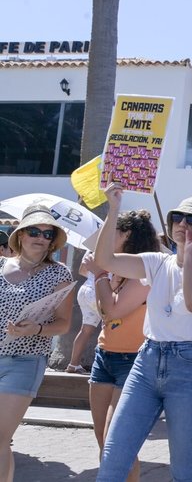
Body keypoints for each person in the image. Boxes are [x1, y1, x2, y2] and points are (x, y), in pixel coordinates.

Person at [94, 184, 192, 482]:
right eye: (178, 217)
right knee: (114, 455)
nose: (183, 224)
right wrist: (114, 209)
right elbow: (105, 261)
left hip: (191, 365)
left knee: (182, 467)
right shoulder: (157, 262)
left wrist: (191, 255)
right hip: (147, 360)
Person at [83, 209, 160, 482]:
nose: (103, 238)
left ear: (126, 235)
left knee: (116, 443)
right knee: (104, 443)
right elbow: (103, 309)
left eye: (111, 231)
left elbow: (113, 311)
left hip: (133, 361)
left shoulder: (143, 272)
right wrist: (100, 272)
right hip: (104, 357)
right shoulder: (115, 270)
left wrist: (100, 272)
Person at [0, 204, 74, 482]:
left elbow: (64, 324)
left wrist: (37, 328)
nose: (40, 237)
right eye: (34, 230)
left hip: (24, 361)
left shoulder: (59, 274)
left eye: (47, 233)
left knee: (0, 438)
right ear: (20, 235)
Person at [66, 270, 100, 374]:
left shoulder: (91, 252)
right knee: (110, 327)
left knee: (85, 330)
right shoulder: (116, 253)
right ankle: (105, 367)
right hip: (99, 291)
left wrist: (93, 275)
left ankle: (73, 364)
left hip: (85, 289)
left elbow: (81, 270)